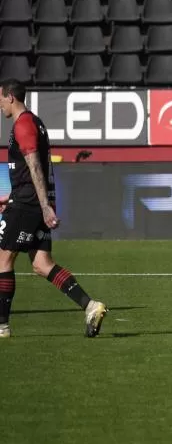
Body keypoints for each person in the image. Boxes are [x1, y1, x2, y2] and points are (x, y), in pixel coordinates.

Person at [0, 79, 107, 339]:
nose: (0, 105)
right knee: (42, 264)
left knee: (3, 259)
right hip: (31, 201)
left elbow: (35, 166)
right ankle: (90, 306)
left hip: (28, 205)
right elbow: (29, 171)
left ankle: (2, 326)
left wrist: (43, 206)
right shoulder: (35, 122)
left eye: (0, 99)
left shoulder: (23, 124)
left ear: (10, 97)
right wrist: (13, 196)